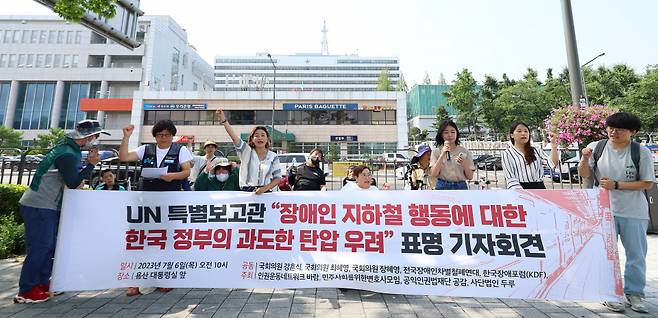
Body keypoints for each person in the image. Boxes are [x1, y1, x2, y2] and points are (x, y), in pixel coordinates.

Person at [14, 120, 107, 304]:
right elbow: (73, 183)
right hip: (40, 205)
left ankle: (41, 283)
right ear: (87, 137)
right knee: (40, 247)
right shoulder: (67, 154)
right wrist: (91, 165)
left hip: (46, 205)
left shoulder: (68, 149)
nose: (96, 140)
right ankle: (26, 291)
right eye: (95, 136)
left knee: (48, 246)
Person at [577, 112, 655, 313]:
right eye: (611, 127)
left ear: (633, 132)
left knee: (636, 255)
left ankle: (635, 294)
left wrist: (617, 184)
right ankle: (610, 293)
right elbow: (584, 174)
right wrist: (585, 159)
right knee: (607, 255)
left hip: (633, 212)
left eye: (620, 129)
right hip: (603, 211)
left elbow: (647, 183)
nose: (614, 132)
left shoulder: (641, 152)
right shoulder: (597, 147)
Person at [119, 119, 193, 296]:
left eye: (167, 135)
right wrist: (126, 137)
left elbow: (187, 171)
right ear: (155, 136)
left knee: (166, 240)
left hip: (169, 201)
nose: (164, 138)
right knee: (140, 239)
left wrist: (173, 176)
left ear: (172, 135)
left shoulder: (180, 150)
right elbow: (124, 157)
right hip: (145, 201)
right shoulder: (146, 149)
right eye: (160, 135)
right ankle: (135, 281)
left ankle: (164, 277)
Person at [215, 109, 281, 194]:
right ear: (252, 139)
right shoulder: (245, 151)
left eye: (262, 135)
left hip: (266, 193)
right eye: (256, 136)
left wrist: (264, 189)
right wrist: (224, 120)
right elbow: (233, 136)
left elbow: (278, 178)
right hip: (246, 193)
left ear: (267, 139)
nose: (260, 138)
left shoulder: (273, 156)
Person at [501, 122, 558, 189]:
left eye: (526, 131)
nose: (523, 133)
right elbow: (510, 177)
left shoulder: (536, 150)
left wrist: (553, 145)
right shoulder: (507, 154)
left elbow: (552, 164)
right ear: (512, 135)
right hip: (518, 190)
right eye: (519, 131)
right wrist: (522, 194)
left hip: (539, 188)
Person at [430, 120, 475, 190]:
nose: (450, 135)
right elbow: (433, 174)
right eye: (446, 132)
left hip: (460, 186)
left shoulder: (464, 151)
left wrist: (464, 163)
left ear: (457, 134)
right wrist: (442, 155)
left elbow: (470, 177)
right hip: (442, 186)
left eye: (453, 132)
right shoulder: (436, 151)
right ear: (441, 134)